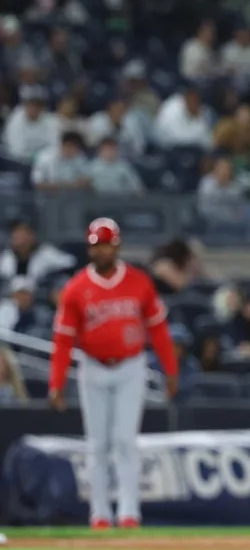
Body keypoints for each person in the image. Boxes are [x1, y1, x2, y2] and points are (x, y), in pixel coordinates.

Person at [48, 218, 179, 529]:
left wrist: (170, 369)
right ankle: (100, 514)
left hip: (131, 366)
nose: (101, 250)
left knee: (124, 440)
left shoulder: (138, 282)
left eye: (106, 244)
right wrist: (56, 383)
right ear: (89, 248)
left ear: (116, 246)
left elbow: (158, 330)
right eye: (96, 245)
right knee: (97, 443)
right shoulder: (76, 288)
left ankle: (129, 513)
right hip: (92, 366)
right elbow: (64, 339)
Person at [0, 220, 76, 281]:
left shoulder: (46, 253)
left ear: (32, 237)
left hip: (41, 296)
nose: (20, 242)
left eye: (23, 237)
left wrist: (51, 276)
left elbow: (70, 262)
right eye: (16, 238)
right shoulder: (6, 258)